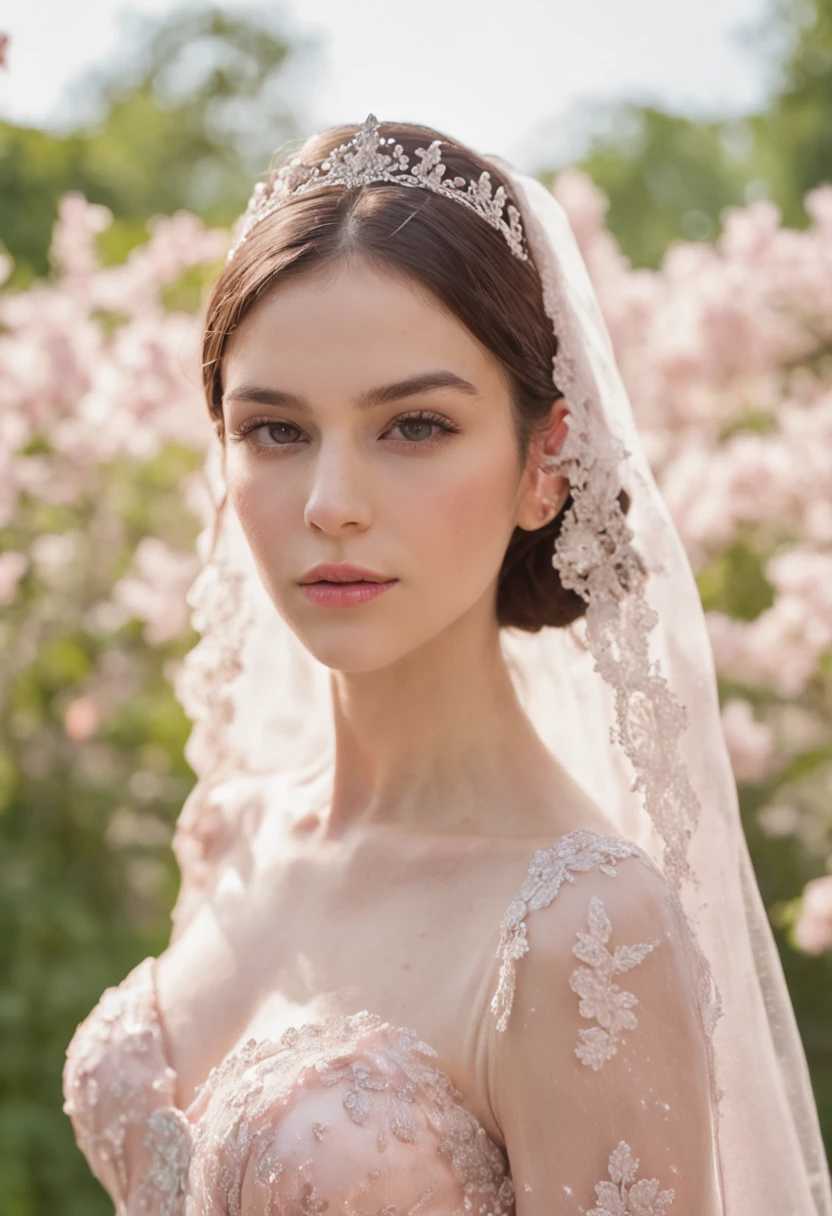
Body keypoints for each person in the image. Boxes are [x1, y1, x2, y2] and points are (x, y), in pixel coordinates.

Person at [61, 116, 832, 1215]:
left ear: (543, 463)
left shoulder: (580, 930)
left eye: (414, 425)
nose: (331, 503)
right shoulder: (230, 826)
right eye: (275, 430)